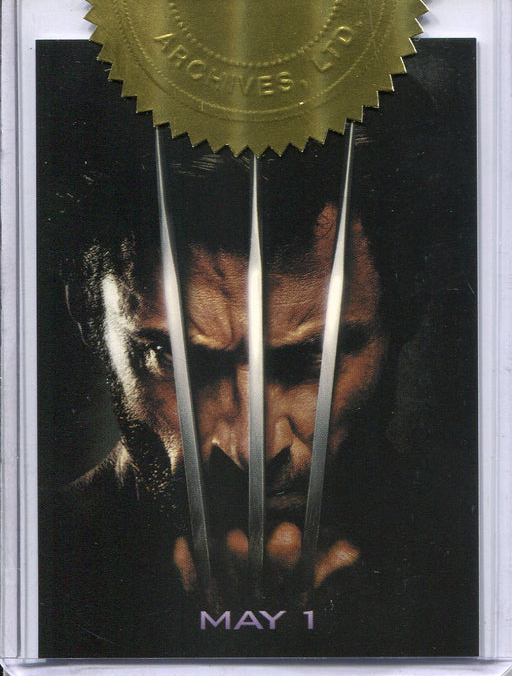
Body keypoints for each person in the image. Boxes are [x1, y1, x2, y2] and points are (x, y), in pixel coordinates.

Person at [38, 39, 478, 658]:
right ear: (88, 317)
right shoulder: (29, 569)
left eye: (309, 362)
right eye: (179, 361)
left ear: (406, 320)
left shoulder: (482, 573)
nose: (250, 449)